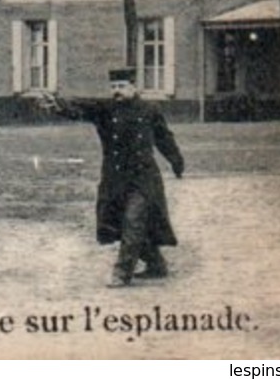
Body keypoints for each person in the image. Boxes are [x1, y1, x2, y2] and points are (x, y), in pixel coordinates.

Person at [40, 68, 185, 287]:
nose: (117, 91)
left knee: (133, 221)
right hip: (115, 178)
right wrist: (58, 105)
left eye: (122, 86)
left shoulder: (150, 110)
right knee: (121, 223)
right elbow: (80, 108)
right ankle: (156, 264)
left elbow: (164, 138)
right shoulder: (105, 110)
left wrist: (176, 161)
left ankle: (121, 273)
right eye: (114, 87)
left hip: (143, 177)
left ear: (134, 87)